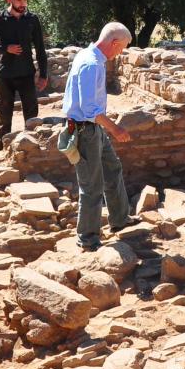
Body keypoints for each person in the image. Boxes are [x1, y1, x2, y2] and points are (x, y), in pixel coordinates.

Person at [62, 22, 138, 252]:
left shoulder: (90, 56)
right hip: (85, 130)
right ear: (114, 42)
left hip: (94, 129)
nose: (121, 52)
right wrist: (115, 129)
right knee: (91, 185)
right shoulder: (91, 64)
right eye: (122, 47)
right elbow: (89, 110)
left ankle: (120, 219)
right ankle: (87, 238)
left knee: (112, 168)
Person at [0, 0, 48, 150]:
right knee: (4, 115)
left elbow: (40, 49)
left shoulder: (32, 19)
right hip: (6, 75)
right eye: (19, 1)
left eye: (25, 0)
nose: (23, 4)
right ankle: (3, 150)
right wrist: (5, 48)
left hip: (27, 74)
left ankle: (31, 149)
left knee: (31, 114)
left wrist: (43, 74)